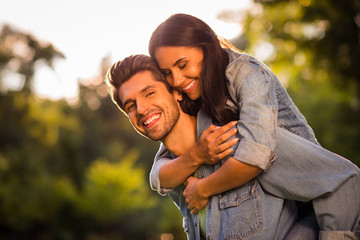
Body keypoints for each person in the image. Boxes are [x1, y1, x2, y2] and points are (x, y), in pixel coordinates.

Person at [148, 13, 360, 240]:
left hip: (313, 195)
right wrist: (189, 159)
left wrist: (203, 188)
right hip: (277, 205)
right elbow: (168, 156)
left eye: (183, 64)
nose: (177, 79)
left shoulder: (247, 73)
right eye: (167, 73)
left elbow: (255, 157)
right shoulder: (195, 93)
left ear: (205, 48)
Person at [105, 54, 322, 240]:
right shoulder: (175, 178)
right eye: (131, 106)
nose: (141, 109)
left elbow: (335, 183)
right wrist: (197, 156)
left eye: (149, 93)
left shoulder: (239, 137)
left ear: (176, 92)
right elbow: (158, 178)